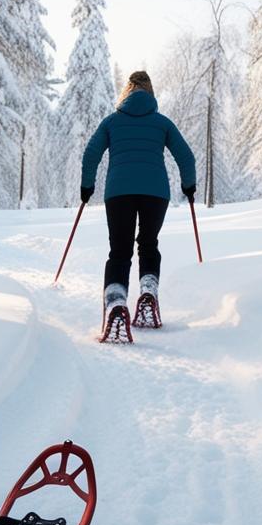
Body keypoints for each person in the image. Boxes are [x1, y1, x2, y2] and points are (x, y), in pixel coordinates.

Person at [80, 71, 196, 338]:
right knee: (148, 244)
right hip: (155, 193)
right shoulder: (162, 123)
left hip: (119, 192)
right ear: (150, 92)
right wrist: (188, 186)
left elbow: (91, 154)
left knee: (119, 252)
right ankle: (148, 293)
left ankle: (116, 303)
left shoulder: (111, 122)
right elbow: (186, 157)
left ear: (127, 92)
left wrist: (87, 187)